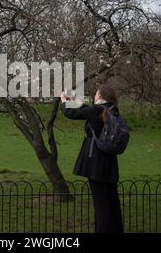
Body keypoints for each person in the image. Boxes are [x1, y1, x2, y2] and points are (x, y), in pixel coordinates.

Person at [60, 84, 124, 233]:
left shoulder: (99, 110)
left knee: (101, 207)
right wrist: (75, 101)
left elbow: (72, 113)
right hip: (110, 164)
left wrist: (64, 101)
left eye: (96, 94)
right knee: (112, 204)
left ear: (101, 96)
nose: (95, 96)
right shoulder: (112, 111)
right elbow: (84, 110)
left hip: (96, 164)